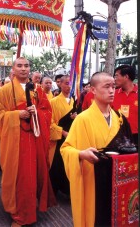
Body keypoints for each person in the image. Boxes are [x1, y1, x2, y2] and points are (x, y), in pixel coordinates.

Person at [60, 72, 136, 227]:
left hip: (116, 179)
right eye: (107, 86)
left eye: (113, 86)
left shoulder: (119, 117)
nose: (112, 91)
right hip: (94, 180)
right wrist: (81, 154)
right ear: (93, 90)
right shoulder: (83, 119)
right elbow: (66, 149)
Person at [0, 57, 56, 227]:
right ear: (13, 69)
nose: (23, 69)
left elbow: (47, 111)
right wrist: (16, 115)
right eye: (19, 65)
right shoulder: (6, 90)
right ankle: (19, 216)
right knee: (20, 178)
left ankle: (29, 210)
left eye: (26, 65)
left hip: (34, 139)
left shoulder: (37, 90)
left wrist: (37, 112)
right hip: (15, 142)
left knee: (32, 176)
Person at [49, 75, 77, 196]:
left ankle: (68, 189)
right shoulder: (53, 102)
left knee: (70, 164)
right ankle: (54, 189)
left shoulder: (74, 101)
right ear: (60, 84)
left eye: (71, 83)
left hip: (72, 136)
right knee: (57, 165)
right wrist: (63, 132)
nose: (69, 86)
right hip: (59, 138)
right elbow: (49, 123)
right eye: (66, 83)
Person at [112, 65, 138, 146]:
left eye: (116, 76)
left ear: (126, 76)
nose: (114, 79)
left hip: (136, 136)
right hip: (117, 135)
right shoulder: (112, 94)